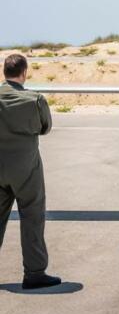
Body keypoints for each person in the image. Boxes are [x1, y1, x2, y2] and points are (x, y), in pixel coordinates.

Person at [0, 54, 62, 289]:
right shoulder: (34, 99)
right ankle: (34, 272)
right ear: (24, 73)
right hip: (25, 167)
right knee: (32, 217)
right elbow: (45, 127)